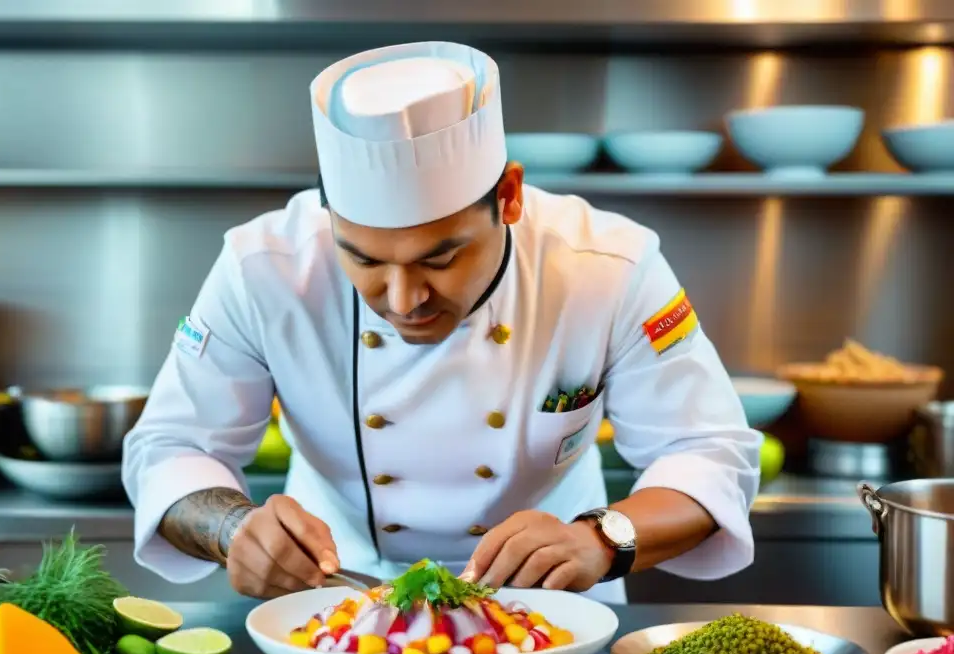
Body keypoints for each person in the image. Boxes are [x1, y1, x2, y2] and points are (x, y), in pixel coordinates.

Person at [122, 41, 760, 604]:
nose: (402, 300)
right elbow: (171, 448)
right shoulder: (261, 268)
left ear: (508, 196)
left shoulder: (611, 266)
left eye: (442, 257)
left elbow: (707, 451)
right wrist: (233, 529)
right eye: (363, 258)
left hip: (555, 601)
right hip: (336, 596)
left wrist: (601, 539)